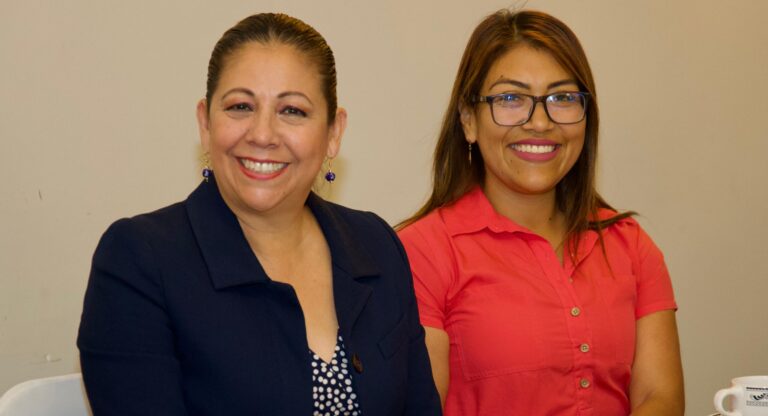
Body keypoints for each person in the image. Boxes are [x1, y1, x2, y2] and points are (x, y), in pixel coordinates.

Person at [78, 13, 441, 415]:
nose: (263, 134)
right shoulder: (138, 260)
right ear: (205, 123)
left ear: (334, 133)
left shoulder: (374, 242)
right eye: (240, 106)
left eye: (293, 111)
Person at [397, 9, 684, 416]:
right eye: (511, 98)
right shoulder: (422, 251)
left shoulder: (631, 245)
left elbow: (661, 399)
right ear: (468, 121)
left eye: (562, 98)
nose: (540, 122)